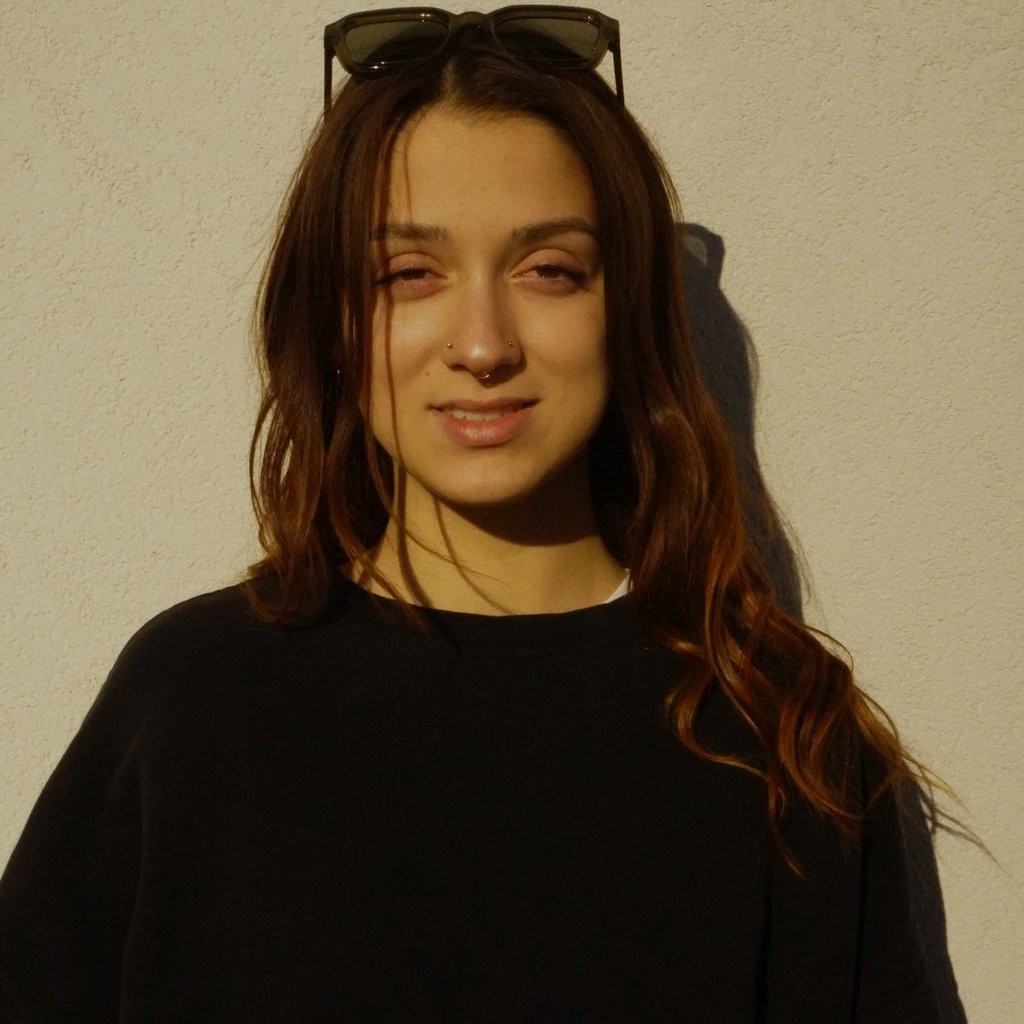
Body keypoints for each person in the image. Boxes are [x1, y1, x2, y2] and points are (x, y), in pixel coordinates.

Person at [0, 7, 950, 1021]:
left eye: (549, 270)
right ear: (332, 319)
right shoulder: (193, 701)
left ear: (625, 310)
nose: (484, 345)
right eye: (409, 275)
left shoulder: (780, 734)